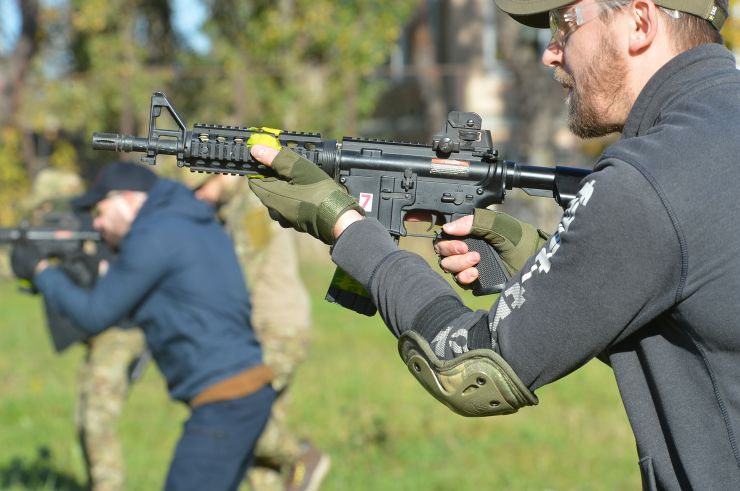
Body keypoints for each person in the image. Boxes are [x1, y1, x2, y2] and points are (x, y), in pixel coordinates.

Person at [243, 0, 740, 488]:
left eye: (565, 22)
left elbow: (469, 370)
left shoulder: (644, 180)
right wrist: (534, 254)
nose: (550, 51)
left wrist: (347, 226)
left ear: (639, 21)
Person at [10, 161, 275, 491]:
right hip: (247, 393)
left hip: (225, 401)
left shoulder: (155, 235)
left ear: (129, 200)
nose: (97, 222)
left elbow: (94, 314)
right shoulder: (185, 220)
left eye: (100, 209)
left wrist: (40, 271)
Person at [193, 174, 330, 491]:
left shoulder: (252, 206)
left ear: (219, 173)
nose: (198, 197)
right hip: (266, 327)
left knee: (240, 420)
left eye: (200, 188)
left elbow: (242, 277)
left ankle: (301, 455)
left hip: (276, 330)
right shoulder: (233, 206)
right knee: (259, 441)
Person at [22, 168, 147, 491]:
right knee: (85, 421)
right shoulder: (83, 232)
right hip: (102, 335)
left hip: (123, 331)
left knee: (97, 422)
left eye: (45, 210)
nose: (40, 217)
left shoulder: (107, 230)